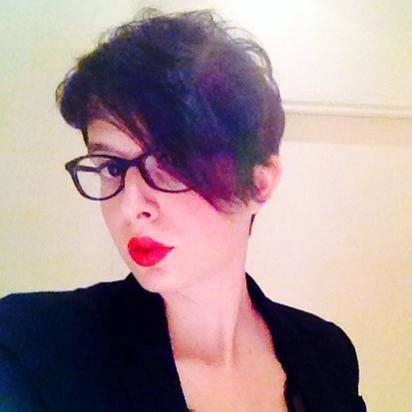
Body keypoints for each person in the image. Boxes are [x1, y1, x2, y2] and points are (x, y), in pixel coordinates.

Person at [0, 9, 366, 412]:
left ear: (258, 184)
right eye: (112, 167)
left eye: (172, 164)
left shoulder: (326, 355)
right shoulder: (34, 347)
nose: (130, 206)